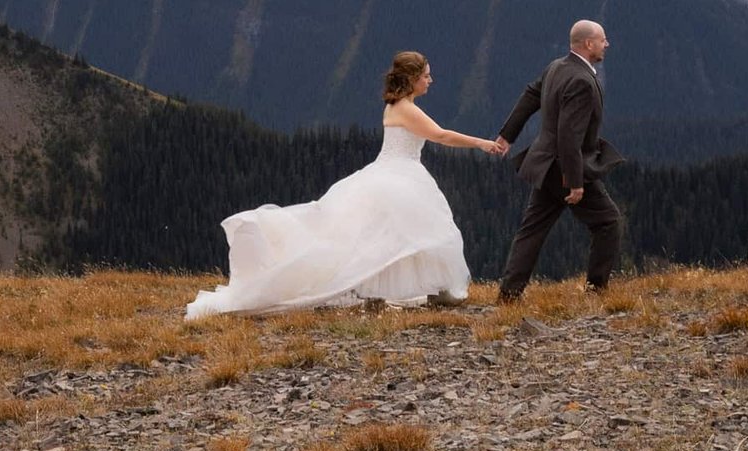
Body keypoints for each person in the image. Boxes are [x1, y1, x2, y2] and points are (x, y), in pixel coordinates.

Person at [184, 51, 508, 319]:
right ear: (412, 79)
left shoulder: (396, 105)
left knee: (386, 235)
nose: (430, 80)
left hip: (392, 173)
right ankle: (419, 291)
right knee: (408, 232)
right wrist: (481, 143)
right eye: (426, 75)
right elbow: (440, 135)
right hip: (399, 176)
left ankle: (403, 291)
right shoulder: (407, 109)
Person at [495, 19, 624, 302]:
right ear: (588, 44)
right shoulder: (581, 80)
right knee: (608, 222)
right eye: (603, 40)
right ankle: (596, 291)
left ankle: (509, 295)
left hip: (545, 164)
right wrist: (575, 181)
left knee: (533, 229)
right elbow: (569, 136)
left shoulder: (557, 67)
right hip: (565, 167)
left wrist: (507, 135)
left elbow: (531, 94)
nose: (607, 44)